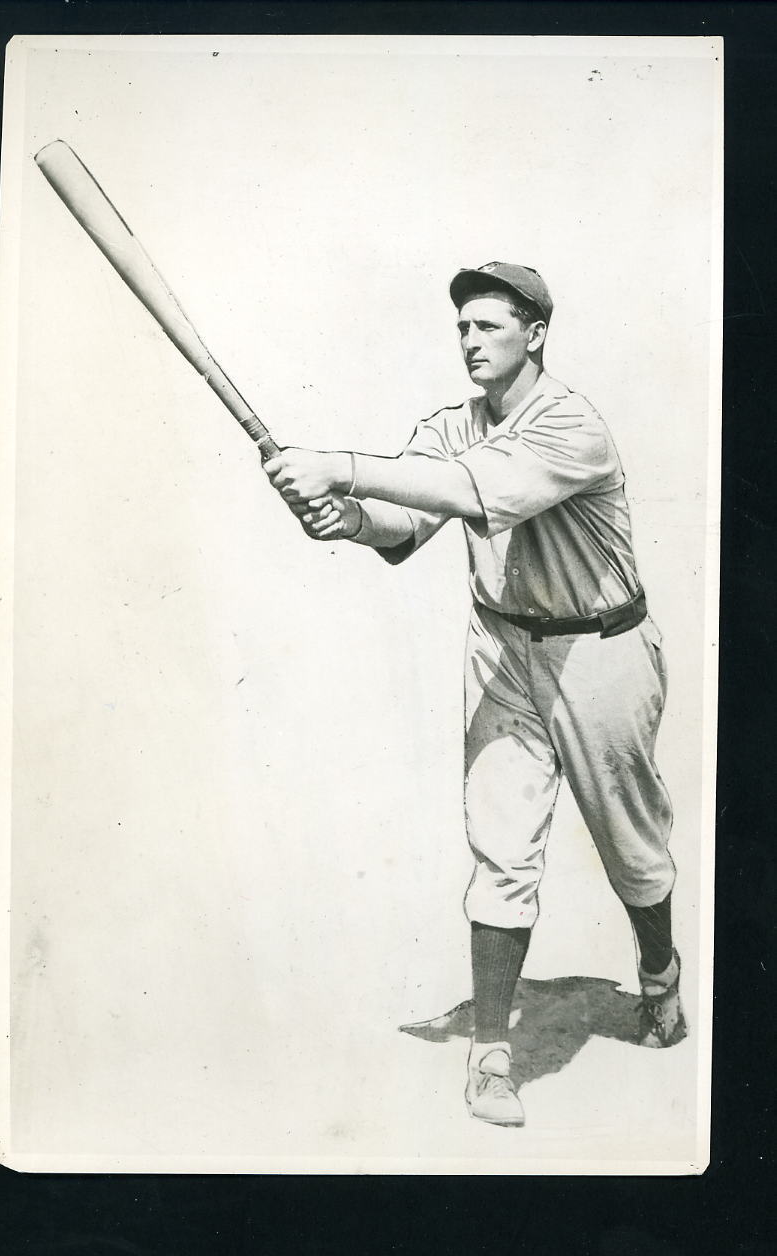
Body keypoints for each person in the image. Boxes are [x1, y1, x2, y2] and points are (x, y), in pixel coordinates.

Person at [264, 261, 687, 1128]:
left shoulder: (570, 424)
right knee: (499, 851)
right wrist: (343, 518)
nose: (468, 341)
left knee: (632, 851)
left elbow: (463, 490)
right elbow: (404, 525)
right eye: (461, 327)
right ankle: (491, 1052)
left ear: (534, 333)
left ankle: (657, 975)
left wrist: (338, 467)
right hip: (501, 645)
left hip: (599, 649)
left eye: (487, 326)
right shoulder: (448, 425)